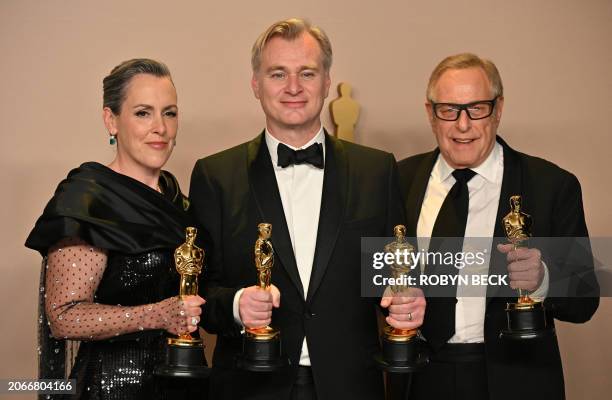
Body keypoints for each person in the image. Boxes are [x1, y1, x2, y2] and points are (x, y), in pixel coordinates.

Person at [189, 18, 425, 400]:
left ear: (327, 81)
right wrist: (235, 305)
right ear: (256, 84)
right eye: (278, 73)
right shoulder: (215, 175)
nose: (293, 87)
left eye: (307, 73)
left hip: (351, 386)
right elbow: (198, 291)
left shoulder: (377, 170)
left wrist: (407, 299)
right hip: (251, 386)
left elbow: (392, 278)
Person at [397, 53, 599, 400]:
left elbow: (586, 299)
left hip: (516, 380)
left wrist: (542, 279)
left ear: (498, 108)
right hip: (420, 377)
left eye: (477, 108)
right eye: (449, 109)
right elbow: (374, 277)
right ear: (430, 114)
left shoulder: (551, 184)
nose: (463, 125)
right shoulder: (398, 181)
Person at [25, 59, 206, 399]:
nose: (160, 128)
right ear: (111, 120)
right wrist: (158, 314)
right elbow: (64, 317)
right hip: (112, 389)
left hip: (183, 385)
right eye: (143, 113)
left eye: (169, 113)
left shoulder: (178, 201)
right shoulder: (87, 200)